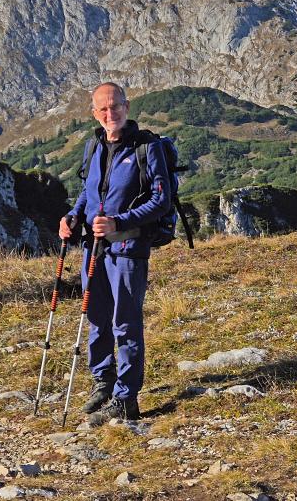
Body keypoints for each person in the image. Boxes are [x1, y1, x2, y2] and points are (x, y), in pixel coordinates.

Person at [58, 82, 171, 420]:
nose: (111, 114)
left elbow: (160, 201)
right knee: (97, 320)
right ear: (95, 113)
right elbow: (88, 191)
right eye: (103, 109)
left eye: (116, 107)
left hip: (128, 249)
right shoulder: (93, 145)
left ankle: (126, 400)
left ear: (127, 107)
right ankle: (103, 382)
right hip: (94, 249)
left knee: (125, 323)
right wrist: (73, 216)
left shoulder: (148, 148)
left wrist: (119, 222)